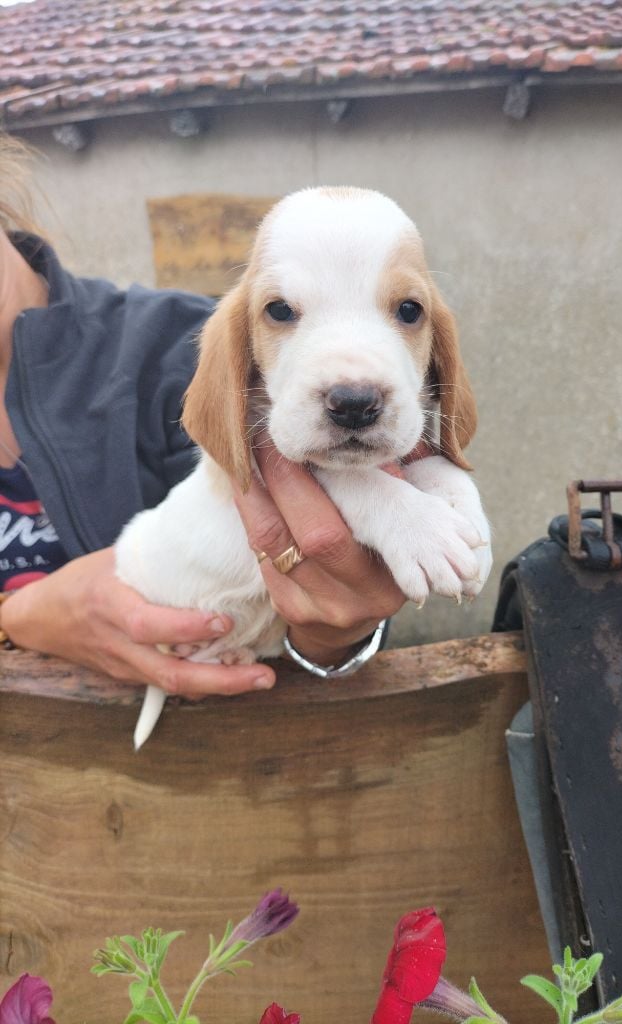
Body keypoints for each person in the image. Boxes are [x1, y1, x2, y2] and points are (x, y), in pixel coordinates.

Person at [0, 135, 405, 697]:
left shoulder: (184, 350)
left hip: (225, 755)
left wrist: (335, 634)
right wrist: (18, 618)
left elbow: (324, 594)